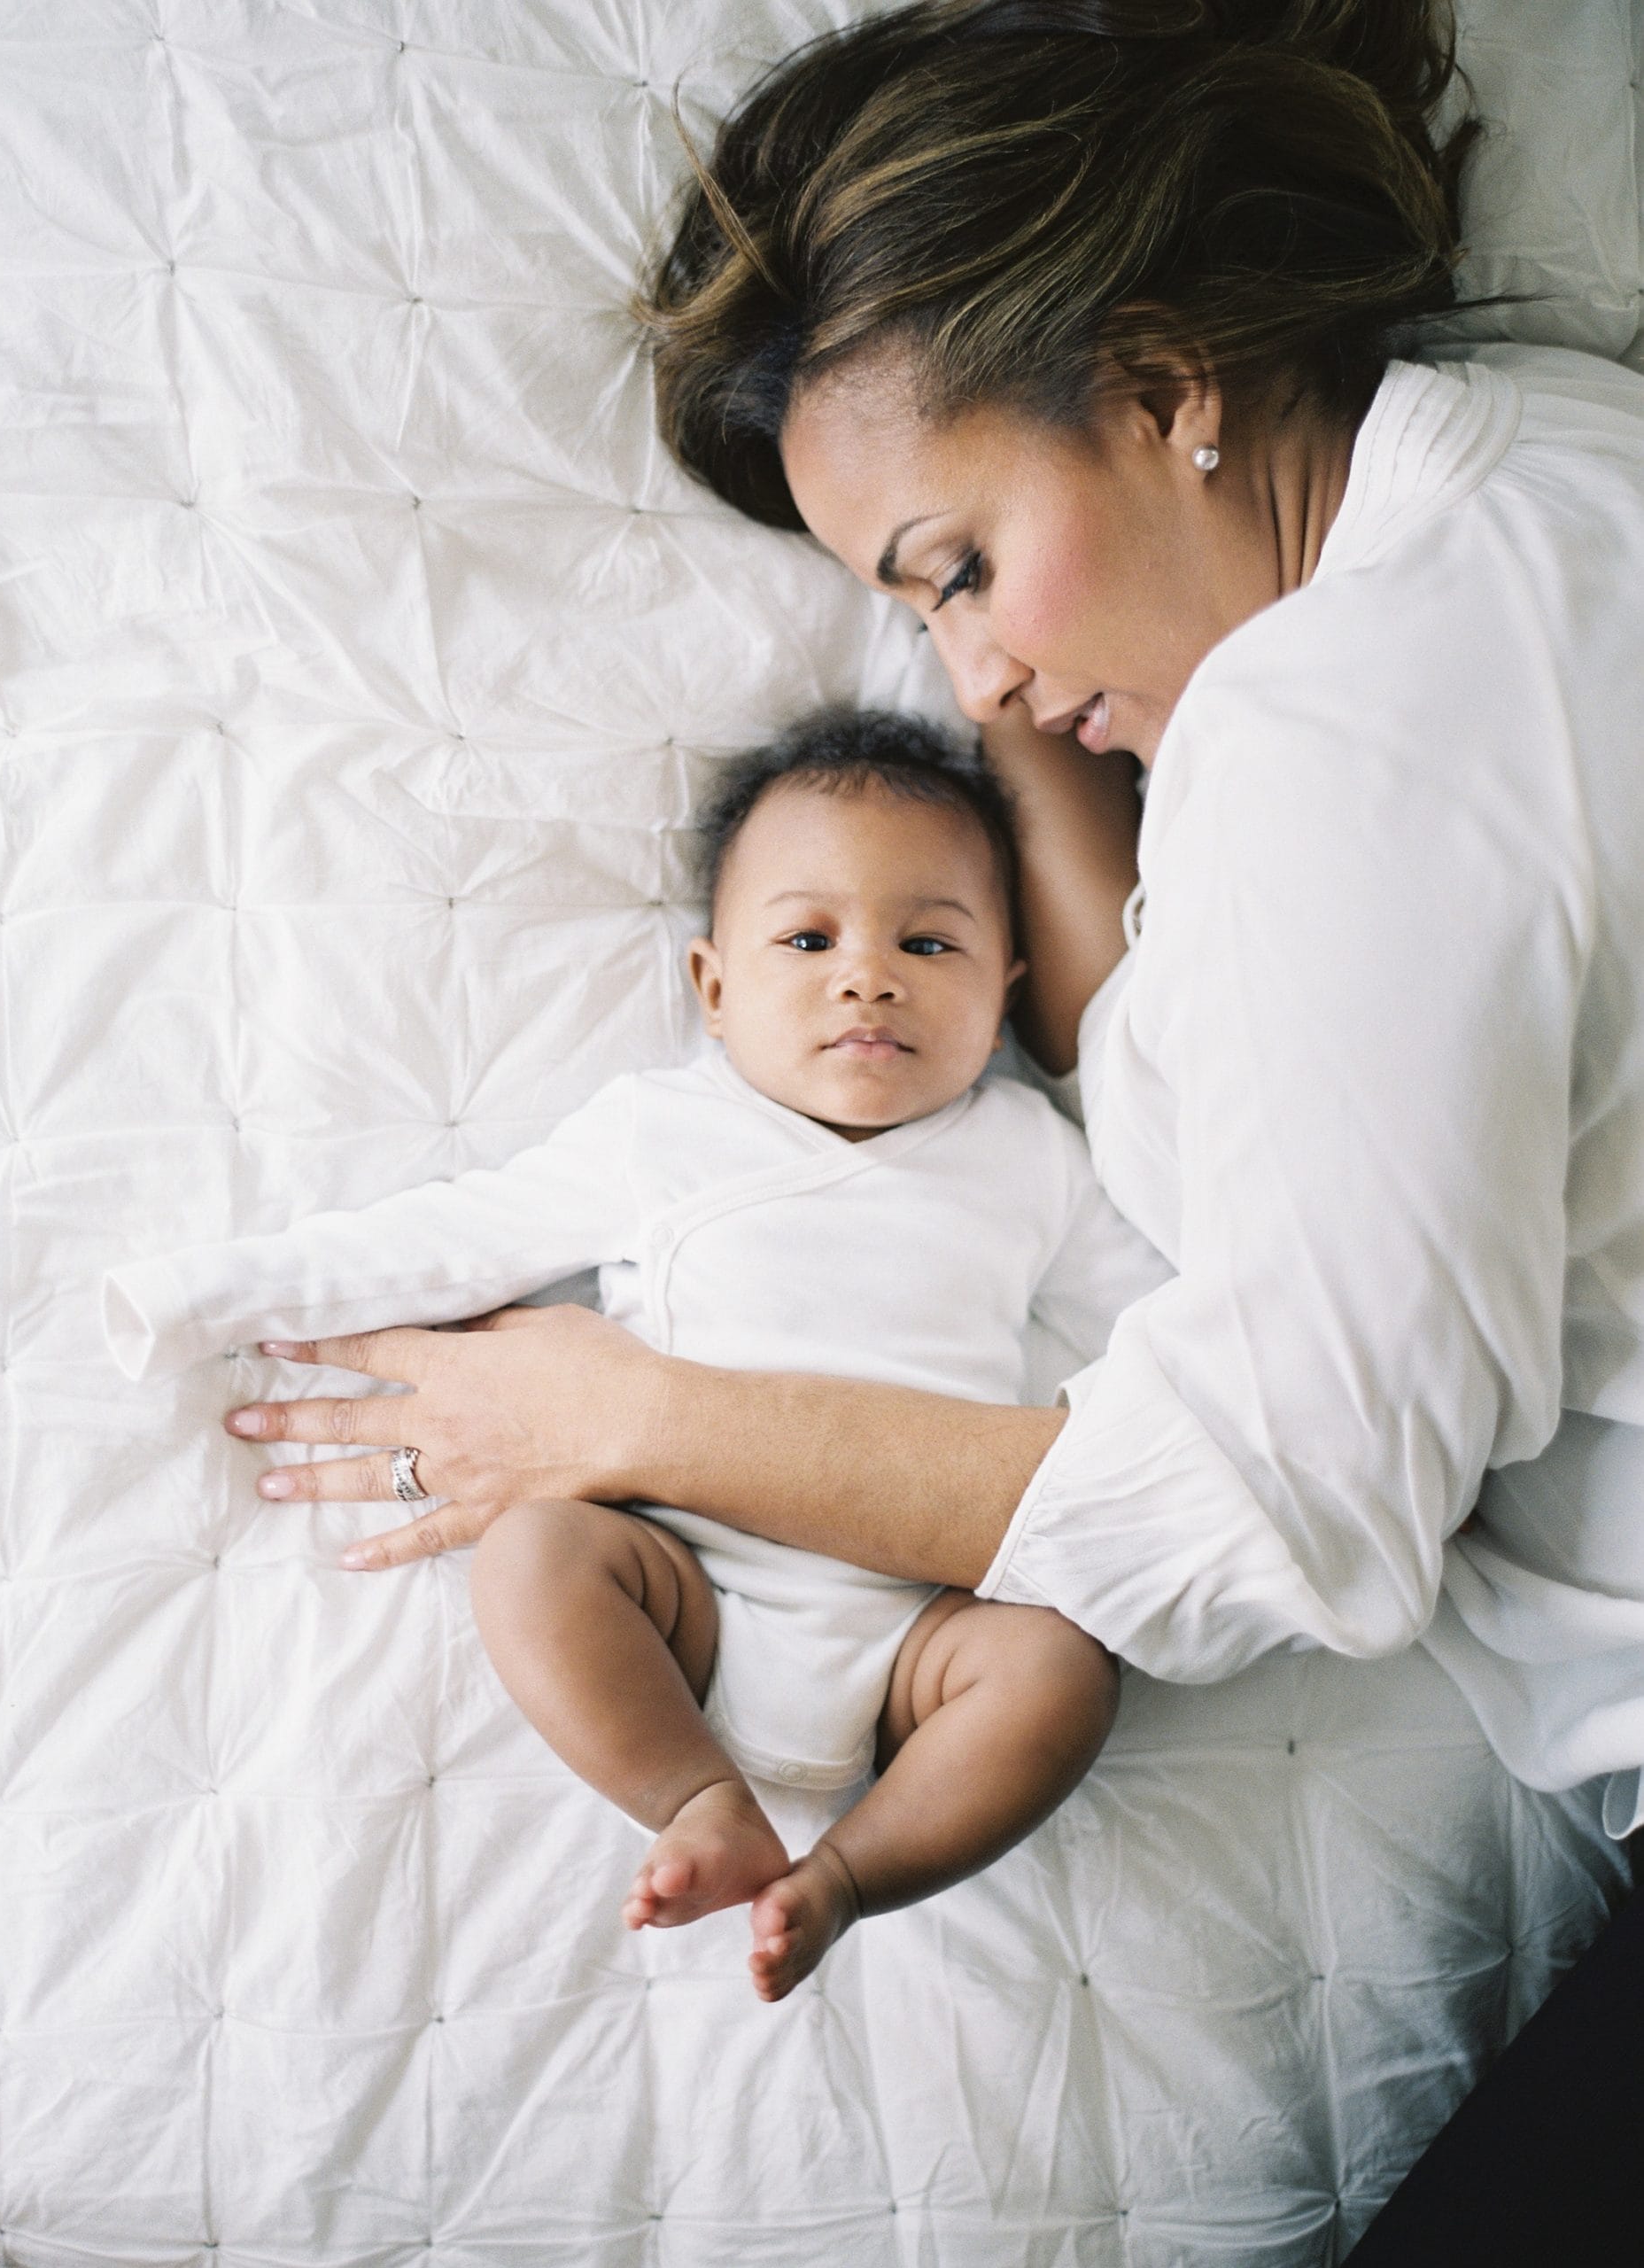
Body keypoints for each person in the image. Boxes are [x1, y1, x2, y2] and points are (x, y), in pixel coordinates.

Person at [206, 0, 1644, 2241]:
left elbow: (1299, 1507)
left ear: (1170, 383)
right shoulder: (1558, 461)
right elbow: (1194, 1031)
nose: (961, 678)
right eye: (916, 602)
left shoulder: (1339, 739)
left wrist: (631, 1409)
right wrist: (1030, 672)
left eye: (957, 565)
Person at [104, 710, 1166, 2001]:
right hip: (689, 1589)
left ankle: (847, 1875)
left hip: (925, 1625)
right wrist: (200, 1296)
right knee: (537, 1551)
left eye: (929, 941)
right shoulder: (660, 1136)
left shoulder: (1034, 1160)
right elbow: (448, 1238)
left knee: (1060, 1667)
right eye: (809, 939)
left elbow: (1159, 1344)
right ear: (714, 988)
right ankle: (697, 1797)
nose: (868, 976)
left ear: (1002, 986)